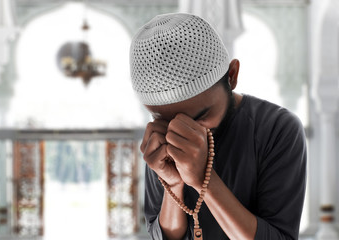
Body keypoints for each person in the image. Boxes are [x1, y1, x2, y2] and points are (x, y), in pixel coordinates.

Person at [129, 13, 306, 240]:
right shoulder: (161, 136)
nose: (182, 131)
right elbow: (162, 236)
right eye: (164, 122)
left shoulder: (277, 129)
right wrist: (173, 186)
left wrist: (204, 178)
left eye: (201, 115)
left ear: (231, 76)